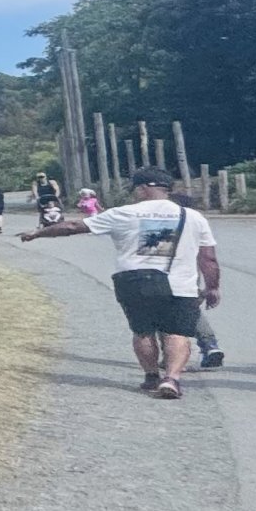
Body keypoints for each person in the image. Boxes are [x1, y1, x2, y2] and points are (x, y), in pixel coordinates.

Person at [23, 166, 220, 398]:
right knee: (176, 334)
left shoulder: (124, 213)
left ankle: (151, 376)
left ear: (145, 188)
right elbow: (208, 258)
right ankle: (172, 379)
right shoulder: (193, 217)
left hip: (134, 281)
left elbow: (73, 227)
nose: (135, 193)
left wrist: (38, 233)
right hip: (180, 285)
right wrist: (213, 287)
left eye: (136, 188)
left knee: (143, 332)